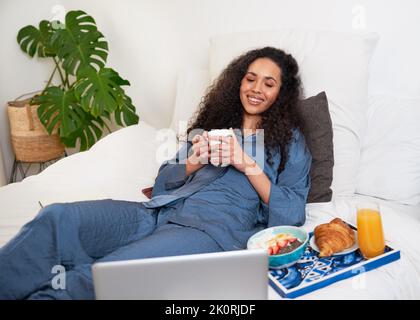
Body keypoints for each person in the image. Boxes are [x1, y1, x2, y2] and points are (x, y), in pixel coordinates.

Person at [0, 46, 311, 300]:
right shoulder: (214, 125)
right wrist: (194, 161)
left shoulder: (290, 142)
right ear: (238, 82)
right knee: (57, 219)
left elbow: (293, 212)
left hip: (209, 231)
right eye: (250, 79)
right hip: (157, 212)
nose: (256, 89)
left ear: (281, 93)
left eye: (268, 84)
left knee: (102, 275)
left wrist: (248, 164)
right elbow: (163, 181)